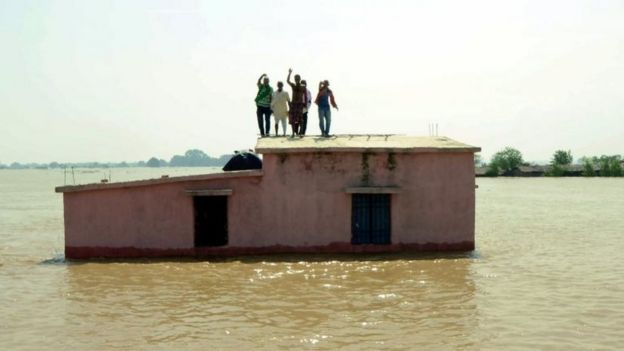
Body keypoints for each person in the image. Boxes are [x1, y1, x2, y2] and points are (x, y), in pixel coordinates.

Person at [286, 68, 308, 138]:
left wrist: (305, 103)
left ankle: (301, 133)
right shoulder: (293, 85)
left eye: (298, 78)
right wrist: (289, 73)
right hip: (293, 104)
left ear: (300, 79)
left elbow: (306, 95)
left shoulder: (303, 87)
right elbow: (288, 81)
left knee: (300, 119)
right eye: (295, 78)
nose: (297, 79)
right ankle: (293, 133)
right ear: (294, 79)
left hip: (300, 104)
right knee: (293, 120)